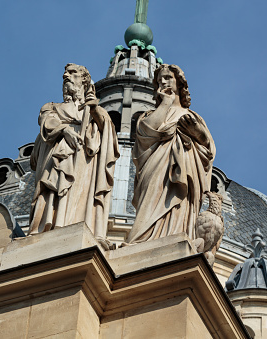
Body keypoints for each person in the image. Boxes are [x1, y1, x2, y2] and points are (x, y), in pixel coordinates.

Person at [28, 63, 119, 242]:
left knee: (79, 195)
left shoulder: (94, 111)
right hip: (57, 159)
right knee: (55, 193)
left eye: (72, 73)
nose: (65, 76)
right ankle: (51, 225)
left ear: (84, 82)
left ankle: (76, 223)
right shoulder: (52, 106)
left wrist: (93, 109)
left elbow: (107, 131)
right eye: (65, 73)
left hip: (84, 163)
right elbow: (47, 122)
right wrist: (64, 130)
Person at [127, 64, 215, 244]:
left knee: (179, 204)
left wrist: (197, 132)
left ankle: (175, 235)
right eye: (159, 80)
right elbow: (147, 131)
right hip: (156, 165)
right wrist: (165, 103)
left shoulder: (192, 115)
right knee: (152, 200)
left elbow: (208, 149)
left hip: (185, 165)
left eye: (168, 78)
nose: (163, 82)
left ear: (179, 83)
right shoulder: (151, 114)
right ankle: (143, 238)